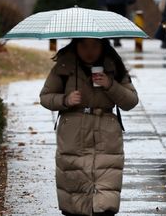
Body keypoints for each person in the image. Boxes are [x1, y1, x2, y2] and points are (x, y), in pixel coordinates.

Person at [39, 38, 139, 216]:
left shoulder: (113, 66)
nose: (89, 51)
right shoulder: (64, 67)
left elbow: (131, 101)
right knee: (75, 192)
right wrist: (65, 100)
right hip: (73, 135)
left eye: (95, 45)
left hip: (107, 136)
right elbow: (46, 97)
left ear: (103, 46)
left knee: (106, 194)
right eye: (84, 45)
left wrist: (110, 85)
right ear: (75, 45)